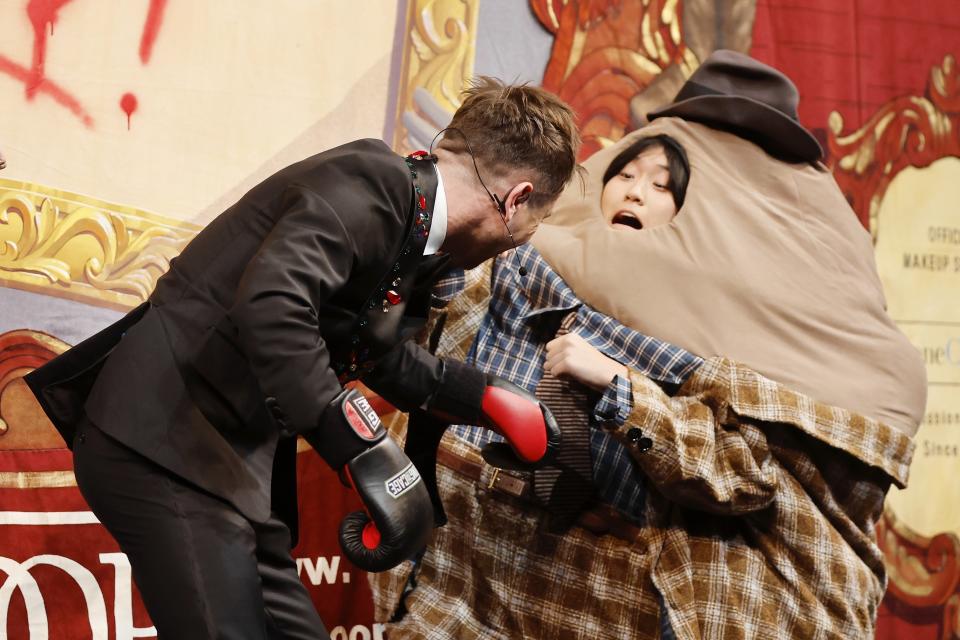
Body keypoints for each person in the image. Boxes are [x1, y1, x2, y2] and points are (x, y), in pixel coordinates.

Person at [370, 51, 923, 639]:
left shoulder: (764, 264)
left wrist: (618, 385)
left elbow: (751, 467)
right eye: (626, 176)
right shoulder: (527, 269)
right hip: (489, 583)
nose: (635, 193)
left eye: (662, 186)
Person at [25, 77, 579, 639]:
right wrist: (359, 445)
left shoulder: (414, 231)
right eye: (537, 222)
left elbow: (375, 355)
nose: (525, 240)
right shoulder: (370, 182)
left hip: (229, 460)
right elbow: (274, 305)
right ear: (516, 200)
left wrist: (485, 399)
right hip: (162, 439)